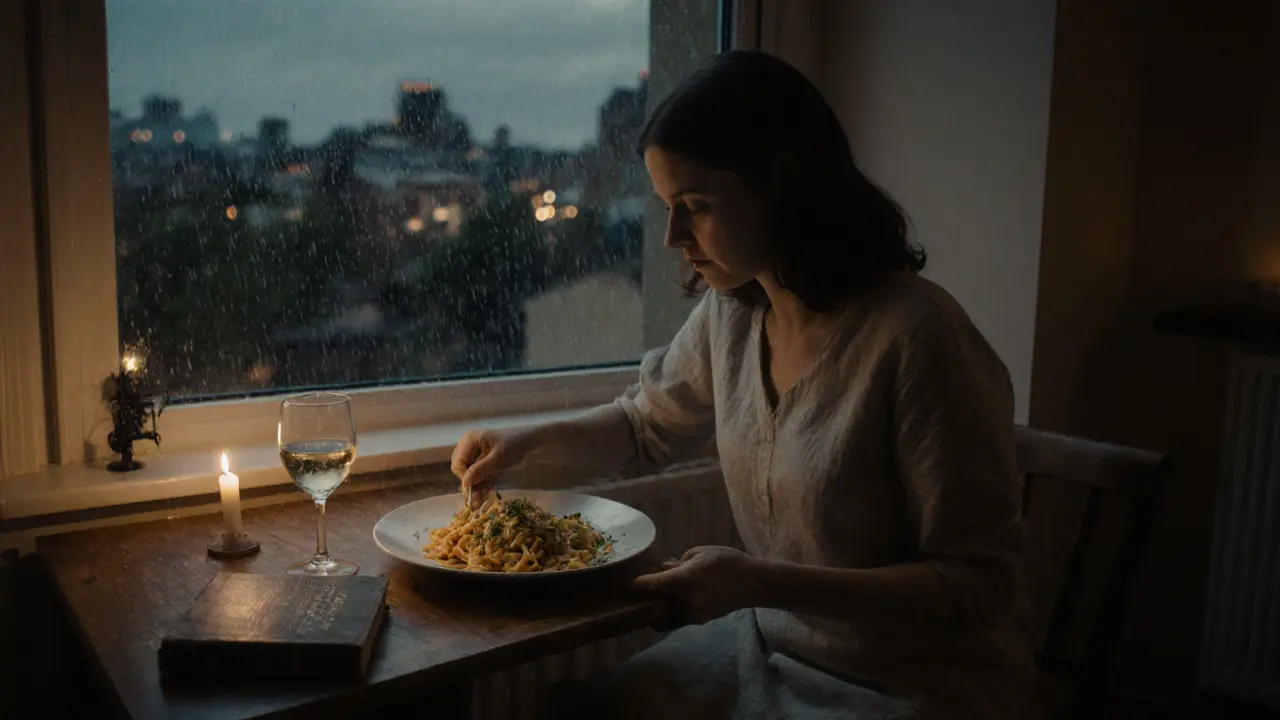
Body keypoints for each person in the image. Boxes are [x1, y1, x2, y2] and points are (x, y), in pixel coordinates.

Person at [450, 50, 1035, 720]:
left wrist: (759, 582)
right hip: (773, 643)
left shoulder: (920, 341)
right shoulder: (733, 312)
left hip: (914, 681)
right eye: (668, 207)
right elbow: (644, 426)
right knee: (581, 708)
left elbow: (977, 583)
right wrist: (521, 444)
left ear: (782, 184)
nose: (673, 236)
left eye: (695, 206)